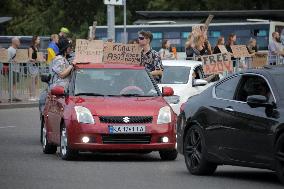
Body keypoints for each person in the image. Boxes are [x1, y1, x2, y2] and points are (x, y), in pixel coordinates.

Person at [7, 37, 21, 102]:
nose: (19, 43)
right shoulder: (10, 50)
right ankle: (11, 97)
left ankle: (14, 96)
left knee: (15, 83)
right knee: (12, 83)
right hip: (11, 69)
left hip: (16, 69)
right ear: (14, 42)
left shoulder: (17, 50)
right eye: (18, 41)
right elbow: (7, 59)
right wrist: (13, 61)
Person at [28, 35, 40, 101]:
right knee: (32, 81)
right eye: (38, 39)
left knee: (35, 81)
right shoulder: (31, 48)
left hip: (36, 65)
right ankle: (31, 96)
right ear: (35, 40)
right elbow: (30, 58)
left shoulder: (37, 48)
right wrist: (35, 60)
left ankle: (34, 95)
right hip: (32, 65)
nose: (39, 40)